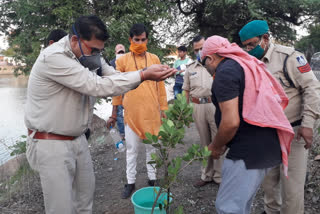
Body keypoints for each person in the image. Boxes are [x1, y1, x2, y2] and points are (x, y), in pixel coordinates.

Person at [25, 15, 175, 214]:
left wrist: (146, 72)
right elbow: (96, 85)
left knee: (85, 202)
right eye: (93, 50)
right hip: (51, 143)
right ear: (74, 40)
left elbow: (113, 76)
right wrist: (143, 75)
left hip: (78, 139)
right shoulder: (54, 57)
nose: (97, 54)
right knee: (60, 208)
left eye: (100, 50)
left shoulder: (87, 54)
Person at [201, 35, 294, 214]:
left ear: (211, 58)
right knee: (241, 204)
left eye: (204, 63)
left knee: (228, 207)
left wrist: (216, 146)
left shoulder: (225, 73)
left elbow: (230, 122)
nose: (206, 68)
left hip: (248, 151)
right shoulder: (243, 65)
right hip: (265, 146)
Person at [239, 20, 320, 214]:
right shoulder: (251, 62)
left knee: (291, 188)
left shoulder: (289, 58)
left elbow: (312, 89)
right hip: (266, 133)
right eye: (246, 46)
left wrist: (308, 124)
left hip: (293, 132)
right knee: (269, 183)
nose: (249, 49)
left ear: (265, 38)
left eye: (252, 44)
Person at [107, 23, 168, 199]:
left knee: (152, 149)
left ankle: (152, 179)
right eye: (136, 40)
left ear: (147, 39)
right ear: (130, 40)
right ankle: (130, 182)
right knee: (131, 150)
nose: (140, 42)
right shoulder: (122, 60)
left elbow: (161, 87)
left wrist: (164, 109)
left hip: (151, 114)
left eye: (143, 39)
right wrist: (113, 113)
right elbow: (117, 88)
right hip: (131, 115)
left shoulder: (155, 58)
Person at [182, 35, 223, 187]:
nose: (199, 51)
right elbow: (186, 90)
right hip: (197, 106)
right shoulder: (190, 68)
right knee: (205, 142)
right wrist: (185, 110)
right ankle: (206, 175)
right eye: (196, 49)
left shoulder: (216, 64)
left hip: (215, 104)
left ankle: (219, 176)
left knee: (218, 139)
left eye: (202, 48)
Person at [110, 44, 126, 140]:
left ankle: (133, 131)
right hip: (117, 92)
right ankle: (123, 133)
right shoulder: (112, 63)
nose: (121, 53)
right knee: (119, 114)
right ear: (115, 53)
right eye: (119, 52)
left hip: (129, 91)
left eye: (122, 52)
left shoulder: (130, 61)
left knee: (131, 112)